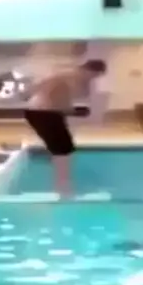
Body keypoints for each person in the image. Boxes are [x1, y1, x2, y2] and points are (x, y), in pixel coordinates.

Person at [24, 59, 107, 195]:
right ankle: (63, 186)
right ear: (89, 70)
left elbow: (67, 98)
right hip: (42, 113)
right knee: (63, 150)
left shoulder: (76, 79)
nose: (93, 79)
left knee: (65, 148)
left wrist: (70, 110)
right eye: (94, 75)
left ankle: (62, 180)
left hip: (48, 113)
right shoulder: (67, 76)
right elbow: (45, 89)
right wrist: (68, 109)